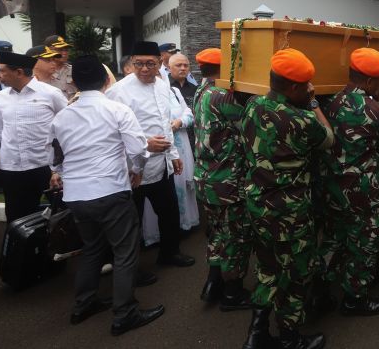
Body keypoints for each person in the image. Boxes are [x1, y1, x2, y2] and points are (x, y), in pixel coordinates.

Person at [47, 55, 164, 336]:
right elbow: (137, 148)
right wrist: (136, 171)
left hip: (76, 194)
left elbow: (55, 158)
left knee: (91, 249)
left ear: (74, 82)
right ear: (104, 80)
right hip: (110, 190)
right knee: (124, 252)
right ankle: (125, 314)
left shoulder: (62, 116)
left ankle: (83, 305)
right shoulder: (117, 110)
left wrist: (66, 174)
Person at [241, 48, 332, 349]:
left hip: (258, 206)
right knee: (296, 273)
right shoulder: (302, 120)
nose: (309, 89)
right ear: (292, 87)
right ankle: (290, 338)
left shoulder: (253, 106)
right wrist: (315, 103)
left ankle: (257, 334)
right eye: (306, 85)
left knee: (267, 269)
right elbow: (329, 139)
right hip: (290, 214)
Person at [319, 48, 379, 316]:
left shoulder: (330, 101)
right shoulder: (377, 109)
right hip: (363, 189)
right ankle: (355, 298)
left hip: (332, 185)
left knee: (334, 237)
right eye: (377, 81)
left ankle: (321, 289)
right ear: (368, 82)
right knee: (366, 239)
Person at [106, 41, 195, 268]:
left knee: (169, 213)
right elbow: (110, 131)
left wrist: (174, 154)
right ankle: (131, 268)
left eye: (150, 64)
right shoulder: (118, 91)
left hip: (161, 164)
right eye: (138, 64)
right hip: (131, 169)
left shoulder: (163, 86)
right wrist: (145, 143)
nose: (144, 69)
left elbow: (165, 124)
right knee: (131, 220)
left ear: (160, 63)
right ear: (131, 63)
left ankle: (169, 254)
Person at [193, 48, 253, 311]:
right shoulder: (223, 95)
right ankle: (232, 293)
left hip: (207, 177)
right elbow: (249, 124)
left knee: (217, 232)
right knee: (235, 238)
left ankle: (213, 282)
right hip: (226, 179)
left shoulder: (201, 90)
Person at [0, 51, 67, 223]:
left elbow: (68, 126)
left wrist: (63, 164)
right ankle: (22, 251)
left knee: (60, 214)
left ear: (19, 72)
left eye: (2, 71)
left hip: (45, 166)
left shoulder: (51, 93)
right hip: (12, 168)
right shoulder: (1, 97)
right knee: (16, 217)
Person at [140, 76, 199, 244]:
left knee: (180, 188)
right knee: (156, 197)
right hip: (152, 154)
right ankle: (155, 235)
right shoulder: (131, 95)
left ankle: (183, 226)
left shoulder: (173, 92)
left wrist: (179, 122)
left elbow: (188, 112)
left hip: (179, 148)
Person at [168, 52, 198, 148]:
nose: (183, 68)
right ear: (169, 68)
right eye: (178, 65)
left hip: (193, 136)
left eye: (186, 65)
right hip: (173, 136)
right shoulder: (164, 87)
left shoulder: (195, 89)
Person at [44, 35, 78, 100]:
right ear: (49, 50)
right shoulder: (42, 71)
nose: (64, 53)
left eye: (66, 50)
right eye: (60, 50)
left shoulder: (74, 70)